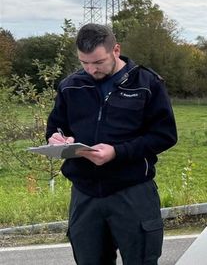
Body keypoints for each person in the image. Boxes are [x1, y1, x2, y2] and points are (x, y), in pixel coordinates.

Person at [46, 23, 178, 265]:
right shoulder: (70, 86)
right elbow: (56, 127)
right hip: (84, 194)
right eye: (84, 63)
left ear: (116, 50)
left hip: (132, 191)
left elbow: (165, 135)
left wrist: (117, 152)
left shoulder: (147, 84)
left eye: (98, 62)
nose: (90, 70)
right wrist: (58, 139)